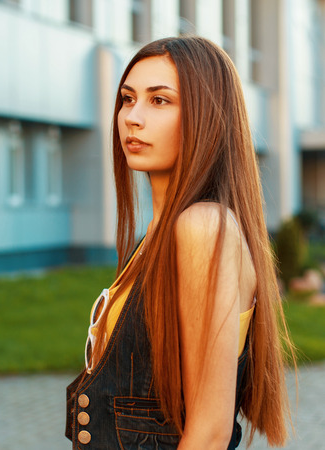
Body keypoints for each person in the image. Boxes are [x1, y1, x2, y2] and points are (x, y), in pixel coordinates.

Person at [66, 36, 295, 449]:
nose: (132, 118)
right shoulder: (157, 237)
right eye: (127, 98)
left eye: (159, 101)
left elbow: (208, 435)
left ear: (206, 116)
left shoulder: (203, 227)